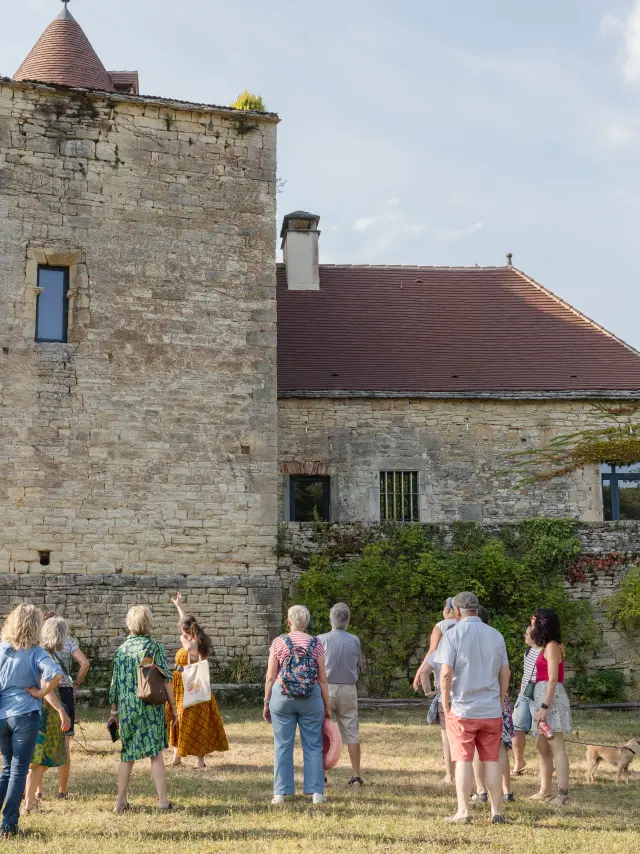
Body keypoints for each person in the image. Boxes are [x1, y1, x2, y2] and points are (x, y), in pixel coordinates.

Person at [435, 591, 511, 825]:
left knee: (464, 760)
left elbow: (446, 672)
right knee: (491, 759)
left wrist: (445, 702)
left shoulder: (452, 634)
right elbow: (505, 672)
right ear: (477, 609)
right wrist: (499, 699)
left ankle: (463, 811)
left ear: (457, 611)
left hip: (463, 708)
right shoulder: (496, 635)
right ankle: (496, 812)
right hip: (490, 708)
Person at [108, 605, 178, 814]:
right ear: (148, 623)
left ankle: (120, 801)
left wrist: (114, 712)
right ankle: (162, 801)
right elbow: (166, 679)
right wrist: (173, 707)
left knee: (127, 755)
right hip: (150, 705)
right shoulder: (154, 648)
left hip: (128, 708)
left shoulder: (121, 651)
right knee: (155, 753)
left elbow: (115, 684)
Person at [0, 604, 63, 837]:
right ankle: (9, 825)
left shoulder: (2, 648)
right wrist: (41, 693)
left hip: (2, 715)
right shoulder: (37, 652)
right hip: (25, 715)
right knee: (18, 771)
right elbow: (56, 674)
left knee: (6, 769)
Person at [263, 605, 331, 805]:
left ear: (289, 622)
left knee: (283, 744)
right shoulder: (315, 643)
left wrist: (266, 702)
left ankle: (280, 793)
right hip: (310, 698)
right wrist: (327, 705)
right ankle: (317, 793)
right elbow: (323, 678)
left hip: (282, 697)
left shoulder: (278, 642)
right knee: (313, 744)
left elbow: (270, 676)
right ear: (307, 623)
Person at [166, 592, 229, 769]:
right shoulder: (194, 636)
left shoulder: (193, 643)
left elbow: (187, 646)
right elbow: (186, 622)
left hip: (191, 686)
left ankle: (199, 762)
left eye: (181, 630)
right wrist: (179, 606)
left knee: (193, 721)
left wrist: (182, 636)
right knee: (178, 719)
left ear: (186, 631)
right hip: (183, 686)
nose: (180, 633)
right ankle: (177, 756)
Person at [36, 611, 90, 801]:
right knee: (65, 743)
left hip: (44, 694)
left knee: (40, 740)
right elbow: (84, 663)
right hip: (65, 692)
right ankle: (62, 790)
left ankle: (38, 790)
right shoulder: (69, 642)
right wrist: (76, 684)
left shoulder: (39, 645)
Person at [22, 616, 72, 815]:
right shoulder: (46, 657)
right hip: (45, 715)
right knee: (39, 761)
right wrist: (62, 712)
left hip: (37, 711)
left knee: (37, 762)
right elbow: (46, 687)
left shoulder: (38, 653)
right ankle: (28, 805)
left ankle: (27, 802)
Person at [470, 607, 514, 805]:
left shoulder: (470, 641)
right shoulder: (496, 639)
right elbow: (506, 671)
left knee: (479, 750)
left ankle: (481, 791)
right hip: (498, 699)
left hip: (478, 701)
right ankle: (507, 791)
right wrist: (503, 696)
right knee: (500, 748)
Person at [529, 608, 572, 806]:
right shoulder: (546, 646)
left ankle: (562, 794)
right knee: (541, 745)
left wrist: (545, 706)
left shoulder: (552, 647)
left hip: (550, 700)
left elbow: (553, 679)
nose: (530, 626)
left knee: (557, 747)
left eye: (533, 623)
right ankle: (544, 790)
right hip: (542, 700)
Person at [414, 599, 459, 785]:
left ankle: (450, 774)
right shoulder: (467, 629)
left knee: (447, 735)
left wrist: (428, 690)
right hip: (467, 692)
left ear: (448, 609)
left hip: (446, 692)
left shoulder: (440, 628)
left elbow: (430, 656)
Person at [318, 603, 363, 786]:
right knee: (351, 732)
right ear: (348, 620)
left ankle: (321, 774)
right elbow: (357, 664)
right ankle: (356, 775)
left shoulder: (321, 639)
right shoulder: (354, 640)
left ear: (331, 618)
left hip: (326, 689)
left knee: (322, 732)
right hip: (348, 688)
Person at [511, 625, 542, 776]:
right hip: (524, 695)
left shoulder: (545, 652)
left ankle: (545, 763)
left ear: (534, 637)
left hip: (538, 695)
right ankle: (519, 761)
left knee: (539, 732)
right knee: (516, 728)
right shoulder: (528, 651)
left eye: (527, 634)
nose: (524, 636)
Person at [413, 597, 457, 696]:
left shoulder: (440, 626)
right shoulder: (464, 625)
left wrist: (419, 672)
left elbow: (432, 650)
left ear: (447, 609)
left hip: (443, 683)